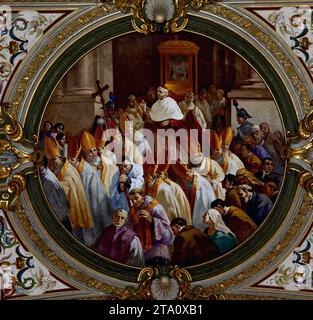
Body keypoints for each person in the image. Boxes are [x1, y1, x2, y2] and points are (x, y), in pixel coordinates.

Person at [44, 136, 94, 242]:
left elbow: (64, 186)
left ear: (61, 158)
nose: (52, 163)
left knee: (75, 235)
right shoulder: (58, 167)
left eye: (54, 159)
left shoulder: (67, 171)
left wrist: (50, 188)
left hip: (73, 206)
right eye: (50, 160)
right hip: (69, 205)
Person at [68, 141, 112, 247]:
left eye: (94, 150)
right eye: (90, 151)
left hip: (94, 205)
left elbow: (96, 194)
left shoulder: (88, 171)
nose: (93, 153)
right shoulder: (77, 169)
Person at [128, 189, 174, 264]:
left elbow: (168, 235)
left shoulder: (155, 207)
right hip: (141, 252)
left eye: (136, 198)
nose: (134, 202)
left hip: (158, 251)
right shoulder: (132, 211)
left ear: (143, 196)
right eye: (132, 200)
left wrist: (152, 220)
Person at [39, 156, 71, 232]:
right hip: (63, 214)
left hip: (60, 217)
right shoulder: (47, 171)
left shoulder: (47, 180)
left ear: (42, 164)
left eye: (37, 164)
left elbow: (53, 203)